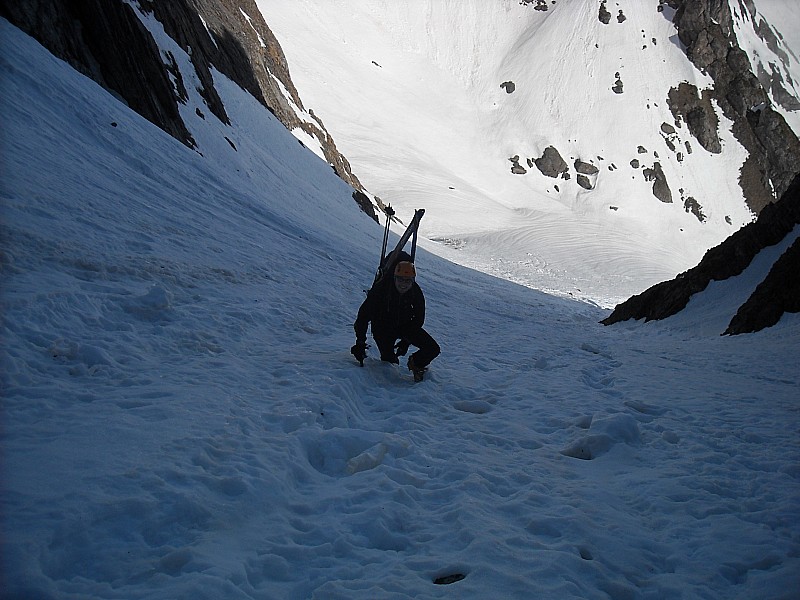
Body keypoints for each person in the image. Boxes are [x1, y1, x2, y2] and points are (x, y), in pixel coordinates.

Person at [351, 258, 440, 381]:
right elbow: (363, 317)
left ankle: (416, 364)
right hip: (382, 328)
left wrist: (406, 341)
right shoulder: (381, 290)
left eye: (408, 281)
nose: (403, 284)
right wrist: (360, 342)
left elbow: (419, 318)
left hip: (405, 326)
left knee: (433, 349)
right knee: (390, 362)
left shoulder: (415, 291)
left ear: (413, 281)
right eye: (400, 279)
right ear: (394, 278)